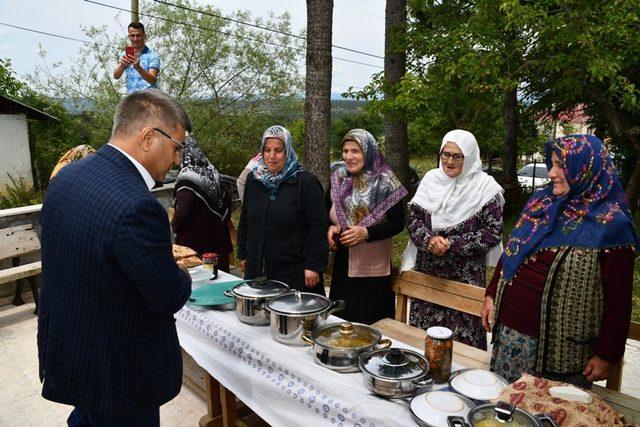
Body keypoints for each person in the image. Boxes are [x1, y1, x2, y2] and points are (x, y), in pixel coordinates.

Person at [38, 89, 192, 425]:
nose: (178, 160)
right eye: (177, 147)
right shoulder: (138, 205)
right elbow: (167, 295)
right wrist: (181, 272)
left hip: (74, 350)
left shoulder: (67, 178)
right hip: (120, 371)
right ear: (149, 137)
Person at [482, 134, 638, 388]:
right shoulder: (541, 203)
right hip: (510, 339)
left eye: (560, 165)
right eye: (552, 164)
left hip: (561, 357)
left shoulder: (611, 225)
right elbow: (513, 250)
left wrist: (608, 354)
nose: (552, 173)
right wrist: (491, 295)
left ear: (585, 168)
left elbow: (618, 300)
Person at [401, 129, 504, 350]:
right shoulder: (430, 180)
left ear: (470, 157)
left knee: (462, 347)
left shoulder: (486, 188)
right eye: (445, 154)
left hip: (463, 279)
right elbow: (413, 220)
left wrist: (451, 245)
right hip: (428, 276)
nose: (449, 161)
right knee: (423, 341)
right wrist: (429, 240)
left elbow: (492, 232)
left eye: (457, 156)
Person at [328, 129, 408, 324]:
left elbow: (398, 223)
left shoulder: (386, 181)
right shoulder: (339, 177)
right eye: (345, 151)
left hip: (372, 272)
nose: (349, 156)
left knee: (371, 326)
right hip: (342, 264)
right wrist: (331, 227)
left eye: (355, 151)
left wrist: (366, 232)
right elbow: (326, 212)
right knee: (341, 324)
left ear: (369, 151)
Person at [237, 125, 328, 293]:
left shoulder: (305, 183)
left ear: (287, 151)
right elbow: (246, 220)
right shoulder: (254, 180)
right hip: (258, 267)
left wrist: (314, 265)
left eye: (278, 150)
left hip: (295, 270)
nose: (272, 156)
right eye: (267, 150)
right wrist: (243, 253)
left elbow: (318, 227)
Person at [171, 133, 233, 272]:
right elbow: (227, 202)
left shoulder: (187, 177)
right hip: (218, 240)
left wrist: (173, 226)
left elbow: (183, 211)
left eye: (176, 151)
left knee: (203, 284)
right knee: (220, 280)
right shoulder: (211, 171)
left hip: (197, 246)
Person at [113, 22, 160, 93]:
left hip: (149, 99)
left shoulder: (152, 55)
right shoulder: (125, 54)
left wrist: (138, 68)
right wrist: (122, 65)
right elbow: (116, 76)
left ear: (144, 36)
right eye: (132, 35)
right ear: (129, 37)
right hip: (131, 99)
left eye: (138, 35)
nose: (135, 39)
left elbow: (153, 80)